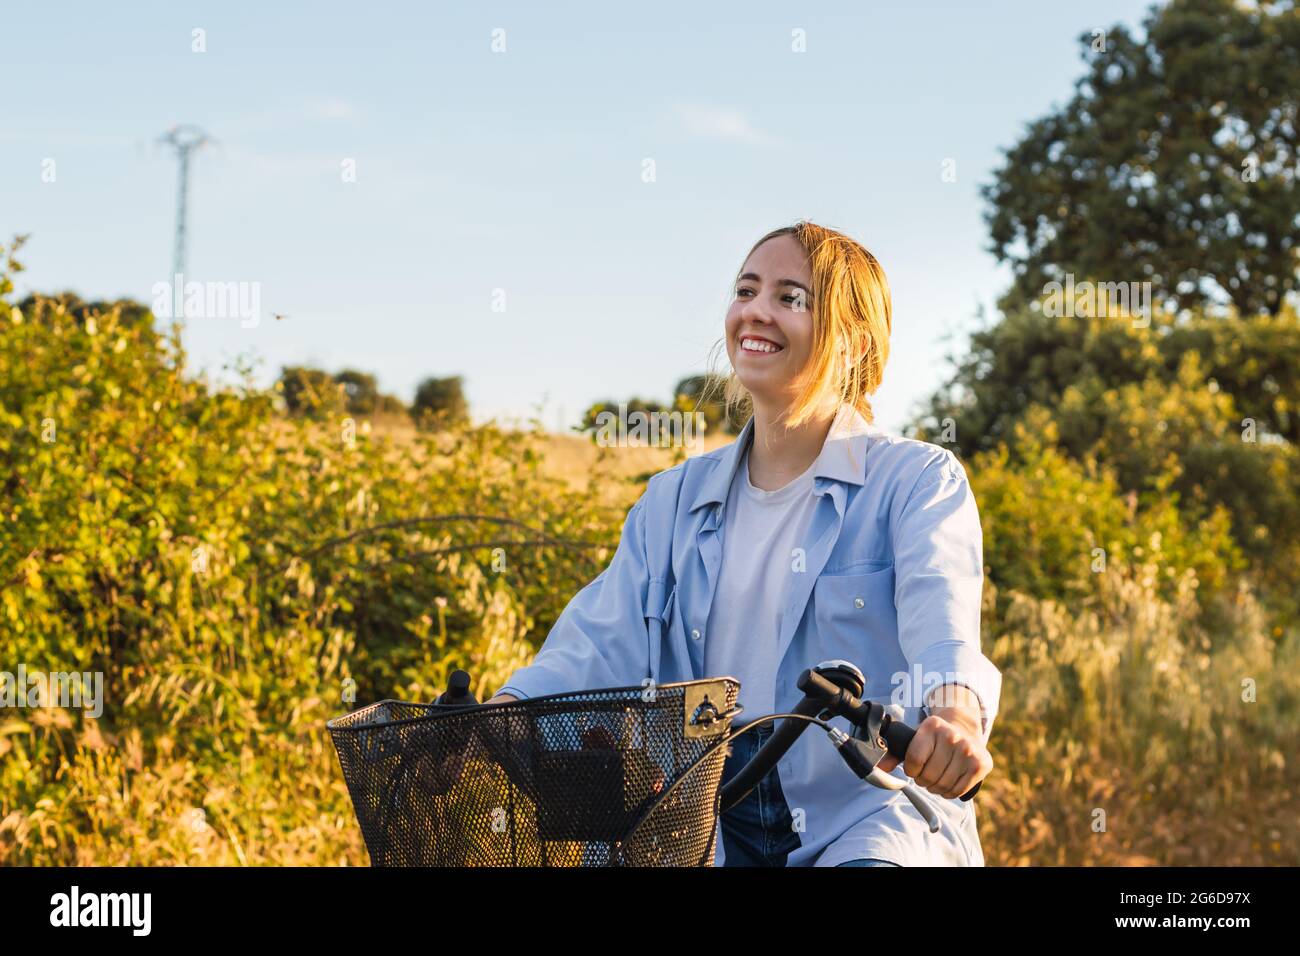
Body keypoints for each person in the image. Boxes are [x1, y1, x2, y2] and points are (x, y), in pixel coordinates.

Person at [487, 221, 1001, 866]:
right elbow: (595, 641)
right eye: (746, 289)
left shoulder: (916, 481)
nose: (756, 311)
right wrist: (498, 715)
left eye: (791, 297)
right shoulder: (671, 500)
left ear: (854, 341)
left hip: (865, 807)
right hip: (701, 809)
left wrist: (953, 720)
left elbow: (943, 624)